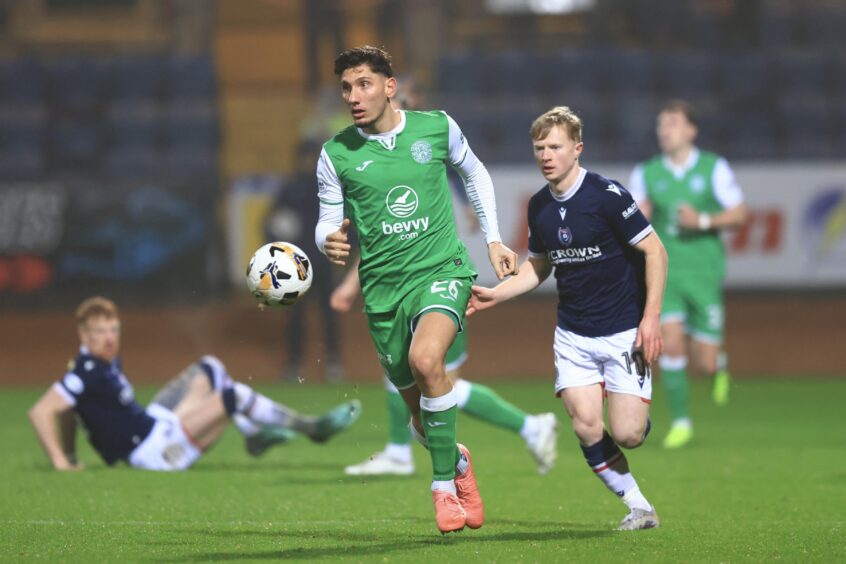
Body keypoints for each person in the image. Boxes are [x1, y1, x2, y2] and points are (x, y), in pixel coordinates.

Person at [314, 46, 518, 534]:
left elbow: (474, 171)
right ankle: (460, 465)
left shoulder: (436, 127)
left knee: (429, 362)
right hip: (383, 292)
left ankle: (443, 489)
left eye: (364, 84)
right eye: (346, 87)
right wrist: (329, 242)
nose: (354, 96)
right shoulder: (335, 152)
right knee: (419, 420)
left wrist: (492, 240)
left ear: (390, 86)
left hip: (441, 270)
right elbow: (326, 223)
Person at [334, 74, 558, 478]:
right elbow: (378, 239)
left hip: (437, 281)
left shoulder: (431, 156)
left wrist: (487, 233)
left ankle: (527, 427)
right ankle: (405, 450)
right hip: (397, 285)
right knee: (419, 378)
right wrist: (353, 284)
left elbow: (468, 180)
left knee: (434, 379)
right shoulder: (377, 161)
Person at [468, 106, 668, 531]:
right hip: (574, 335)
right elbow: (538, 267)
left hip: (623, 331)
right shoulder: (539, 206)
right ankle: (639, 506)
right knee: (585, 425)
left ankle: (634, 408)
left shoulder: (607, 196)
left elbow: (655, 251)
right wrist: (496, 294)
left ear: (577, 149)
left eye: (555, 147)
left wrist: (651, 319)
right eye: (539, 148)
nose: (546, 155)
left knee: (629, 433)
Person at [28, 296, 361, 471]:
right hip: (153, 453)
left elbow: (70, 409)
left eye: (113, 329)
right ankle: (311, 427)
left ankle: (252, 434)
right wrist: (60, 461)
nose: (109, 337)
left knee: (211, 366)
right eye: (100, 331)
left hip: (154, 426)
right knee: (233, 394)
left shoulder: (102, 362)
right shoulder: (85, 368)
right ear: (83, 335)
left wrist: (71, 453)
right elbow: (43, 412)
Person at [331, 263, 558, 476]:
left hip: (438, 298)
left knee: (439, 385)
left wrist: (351, 284)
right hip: (409, 297)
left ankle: (532, 427)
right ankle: (398, 452)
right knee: (403, 372)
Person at [628, 99, 747, 449]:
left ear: (691, 130)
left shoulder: (714, 168)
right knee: (671, 344)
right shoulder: (646, 172)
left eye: (674, 123)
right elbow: (632, 219)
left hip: (704, 272)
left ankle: (718, 366)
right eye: (662, 124)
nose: (665, 130)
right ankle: (681, 421)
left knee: (705, 362)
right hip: (666, 272)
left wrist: (704, 221)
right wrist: (640, 217)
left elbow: (739, 214)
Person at [264, 139, 345, 383]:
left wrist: (341, 249)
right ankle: (294, 364)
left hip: (323, 261)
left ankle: (333, 362)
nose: (309, 162)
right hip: (294, 265)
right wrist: (276, 246)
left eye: (313, 157)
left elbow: (344, 221)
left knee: (329, 313)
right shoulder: (291, 187)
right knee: (295, 316)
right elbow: (272, 222)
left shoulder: (329, 188)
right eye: (306, 157)